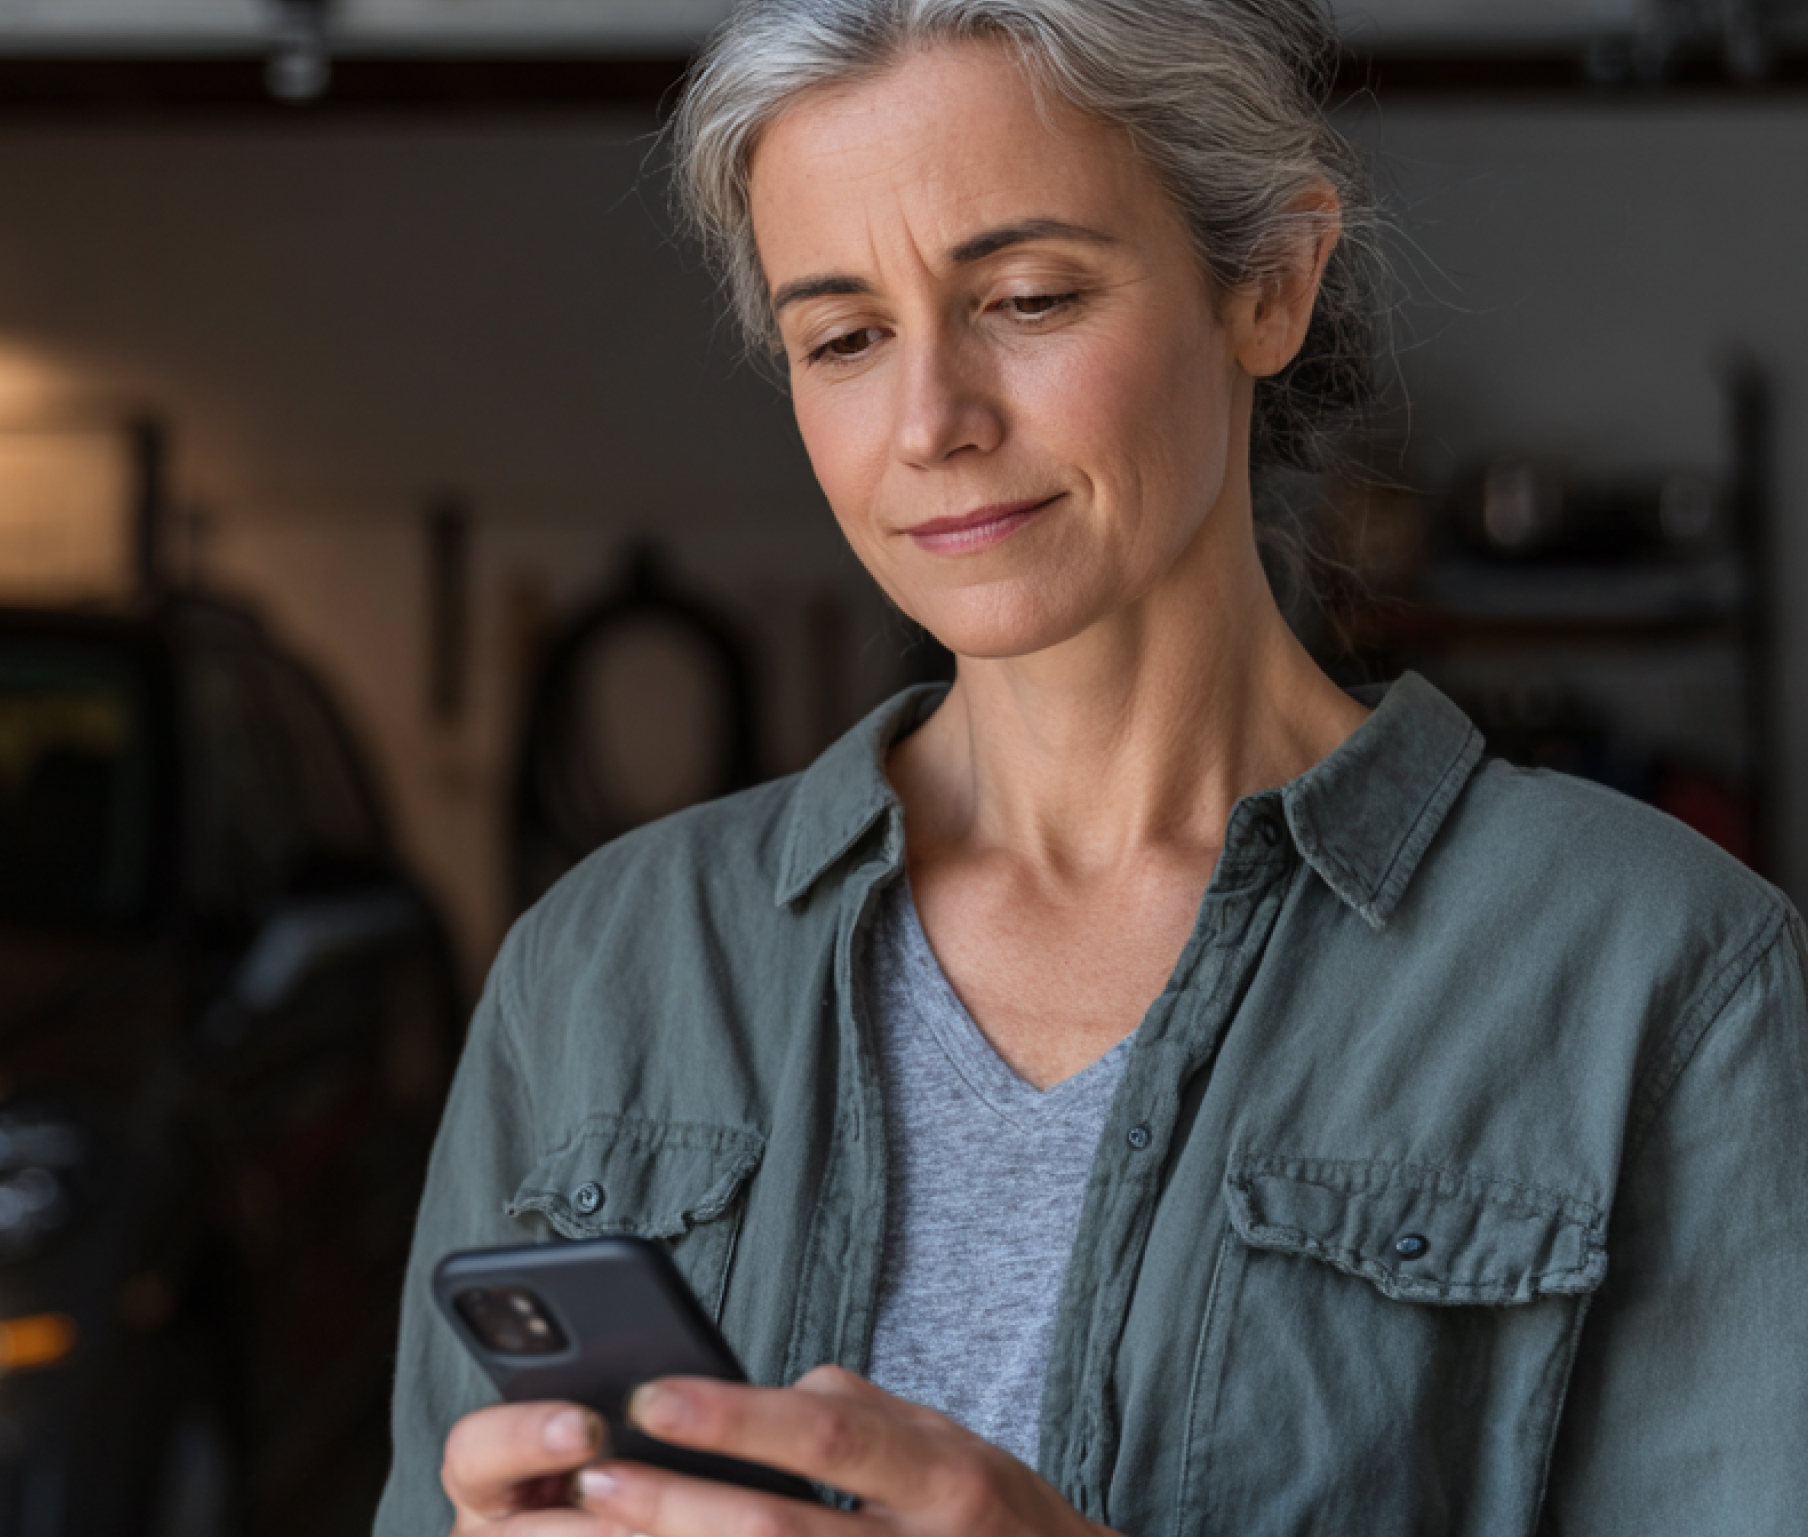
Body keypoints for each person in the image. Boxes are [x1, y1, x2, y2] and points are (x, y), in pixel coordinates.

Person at [375, 1, 1808, 1533]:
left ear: (1272, 282)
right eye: (845, 337)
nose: (930, 422)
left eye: (1029, 298)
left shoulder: (1657, 969)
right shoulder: (598, 968)